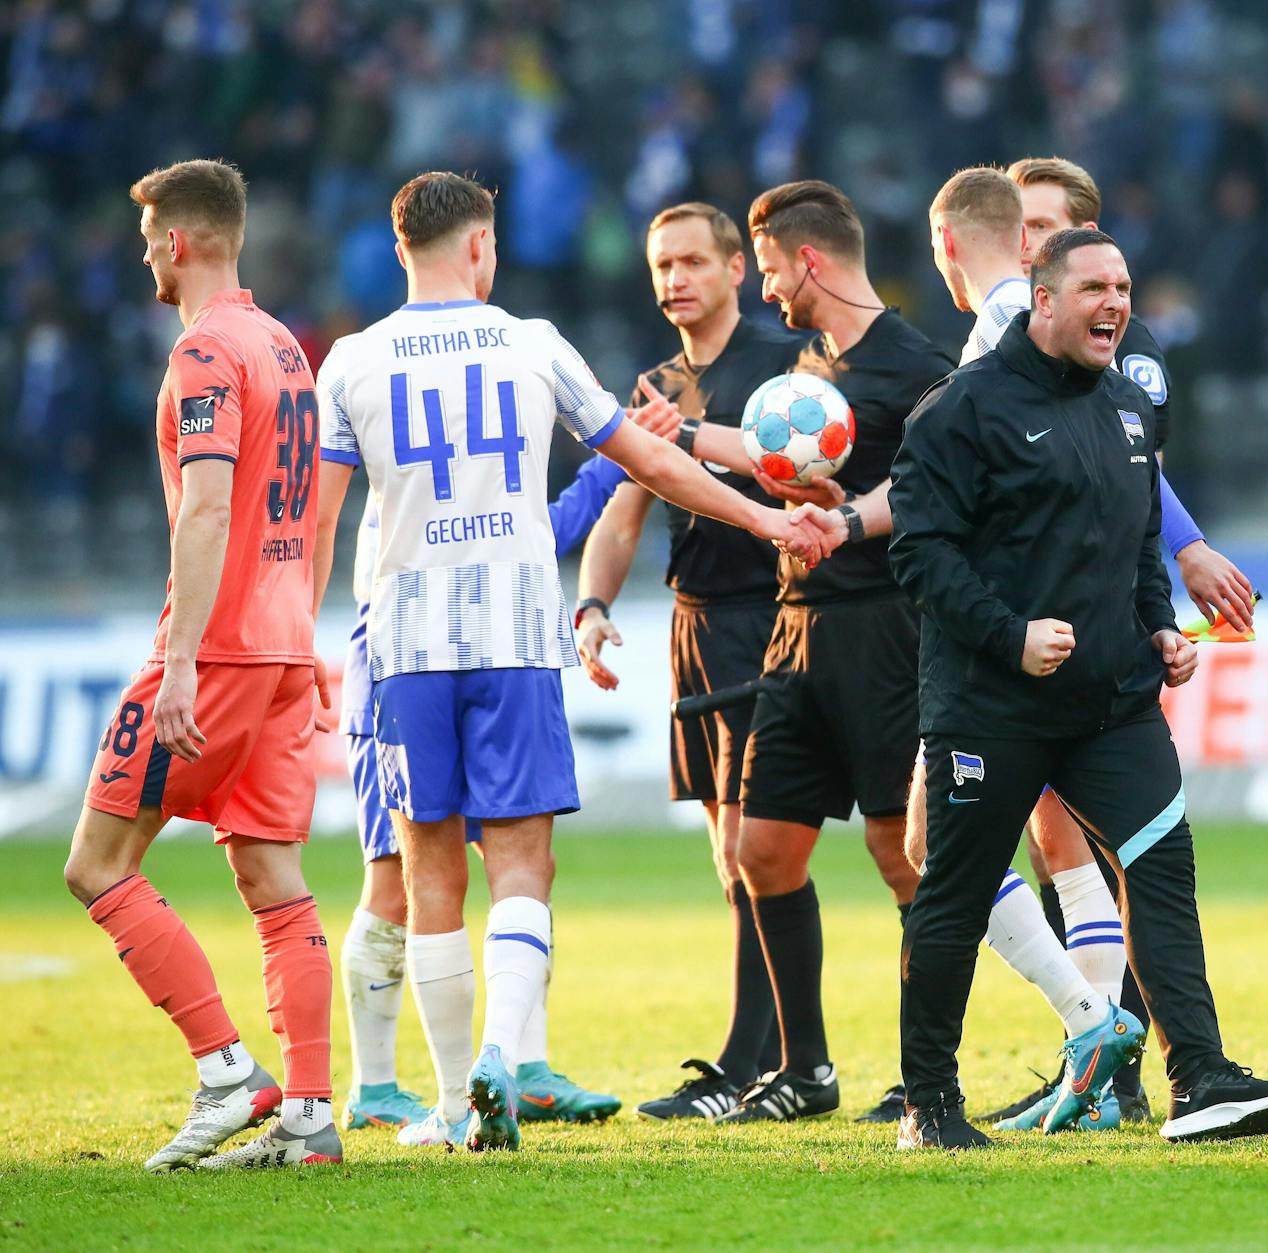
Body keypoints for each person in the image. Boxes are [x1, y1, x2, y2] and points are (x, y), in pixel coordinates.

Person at [311, 172, 819, 1153]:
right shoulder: (530, 343)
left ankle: (456, 1100)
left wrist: (294, 643)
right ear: (481, 248)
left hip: (403, 646)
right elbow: (655, 462)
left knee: (426, 876)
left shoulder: (351, 361)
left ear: (400, 248)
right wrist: (764, 513)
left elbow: (318, 519)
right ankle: (505, 1054)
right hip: (512, 639)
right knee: (521, 865)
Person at [889, 227, 1268, 1149]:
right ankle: (929, 1103)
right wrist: (1011, 636)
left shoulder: (1128, 408)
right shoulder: (959, 410)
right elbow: (918, 554)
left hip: (1112, 707)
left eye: (1122, 288)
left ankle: (1199, 1076)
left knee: (1162, 865)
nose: (1115, 304)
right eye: (1094, 288)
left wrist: (1159, 624)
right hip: (989, 707)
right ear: (1043, 298)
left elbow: (1132, 544)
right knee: (954, 898)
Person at [934, 155, 1256, 1125]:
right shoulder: (1001, 336)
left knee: (1078, 845)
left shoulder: (1122, 351)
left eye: (1045, 228)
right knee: (1055, 842)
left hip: (1080, 633)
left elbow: (1119, 465)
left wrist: (1186, 548)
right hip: (1017, 629)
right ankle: (1098, 1055)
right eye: (1022, 229)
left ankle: (1104, 1048)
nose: (1026, 244)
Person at [633, 179, 951, 1125]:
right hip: (793, 625)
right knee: (762, 850)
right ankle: (805, 1069)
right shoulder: (810, 366)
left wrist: (848, 519)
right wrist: (687, 432)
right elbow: (780, 457)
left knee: (904, 860)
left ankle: (925, 1068)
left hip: (885, 631)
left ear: (808, 260)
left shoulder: (916, 364)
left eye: (769, 271)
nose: (767, 291)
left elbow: (931, 487)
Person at [62, 158, 341, 1171]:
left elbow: (215, 503)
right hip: (279, 642)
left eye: (147, 237)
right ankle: (308, 1115)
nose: (143, 251)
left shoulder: (207, 355)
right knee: (271, 870)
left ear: (178, 241)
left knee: (97, 861)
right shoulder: (284, 347)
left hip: (215, 645)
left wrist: (178, 662)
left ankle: (227, 1070)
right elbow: (304, 511)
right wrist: (299, 635)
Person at [573, 202, 804, 1120]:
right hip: (694, 626)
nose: (675, 279)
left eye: (693, 261)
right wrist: (591, 603)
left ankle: (758, 1058)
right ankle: (776, 1051)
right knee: (727, 855)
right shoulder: (656, 382)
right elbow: (625, 511)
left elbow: (803, 469)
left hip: (772, 616)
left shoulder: (783, 368)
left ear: (737, 268)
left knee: (760, 848)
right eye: (662, 264)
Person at [338, 457, 628, 1139]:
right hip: (403, 666)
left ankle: (526, 1068)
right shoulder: (427, 456)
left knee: (525, 870)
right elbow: (537, 534)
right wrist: (610, 465)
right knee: (398, 883)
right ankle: (374, 1082)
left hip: (467, 657)